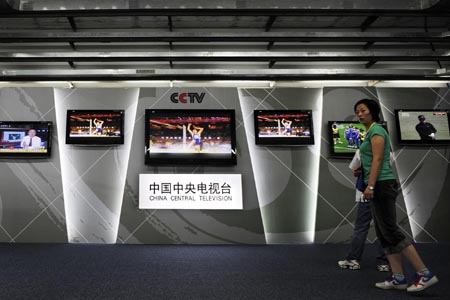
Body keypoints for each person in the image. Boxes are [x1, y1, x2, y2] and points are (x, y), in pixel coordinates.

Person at [354, 98, 438, 292]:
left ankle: (425, 274)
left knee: (391, 231)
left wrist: (372, 186)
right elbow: (372, 161)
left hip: (382, 185)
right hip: (377, 183)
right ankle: (398, 278)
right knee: (384, 234)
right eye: (357, 111)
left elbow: (378, 159)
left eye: (363, 110)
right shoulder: (370, 132)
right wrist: (362, 173)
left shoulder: (377, 130)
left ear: (372, 112)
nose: (359, 114)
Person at [338, 150, 390, 272]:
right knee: (383, 229)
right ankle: (383, 262)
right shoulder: (388, 152)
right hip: (383, 193)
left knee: (361, 228)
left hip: (366, 194)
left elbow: (355, 170)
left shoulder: (361, 151)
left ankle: (353, 260)